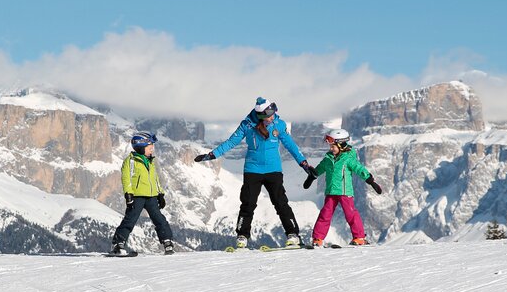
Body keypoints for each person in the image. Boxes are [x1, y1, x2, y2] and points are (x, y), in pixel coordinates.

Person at [194, 97, 316, 248]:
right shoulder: (247, 124)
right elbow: (232, 141)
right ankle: (242, 236)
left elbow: (290, 145)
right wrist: (213, 154)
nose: (273, 116)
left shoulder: (279, 123)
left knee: (280, 202)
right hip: (253, 170)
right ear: (261, 116)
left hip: (274, 170)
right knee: (248, 204)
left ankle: (293, 235)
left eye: (273, 112)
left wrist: (303, 163)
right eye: (269, 115)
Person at [304, 128, 382, 246]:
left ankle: (359, 238)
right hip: (331, 192)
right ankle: (317, 239)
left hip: (345, 191)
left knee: (350, 214)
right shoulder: (328, 158)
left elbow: (359, 169)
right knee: (325, 214)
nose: (331, 148)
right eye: (330, 146)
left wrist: (370, 181)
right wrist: (312, 176)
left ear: (341, 145)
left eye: (333, 146)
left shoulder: (348, 159)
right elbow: (319, 169)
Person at [111, 131, 174, 256]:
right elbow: (126, 177)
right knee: (130, 219)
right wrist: (128, 194)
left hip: (151, 196)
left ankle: (167, 242)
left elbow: (154, 179)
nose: (152, 150)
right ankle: (118, 244)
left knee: (159, 219)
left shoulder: (150, 161)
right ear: (140, 147)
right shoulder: (131, 161)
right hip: (137, 196)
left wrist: (160, 193)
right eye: (150, 147)